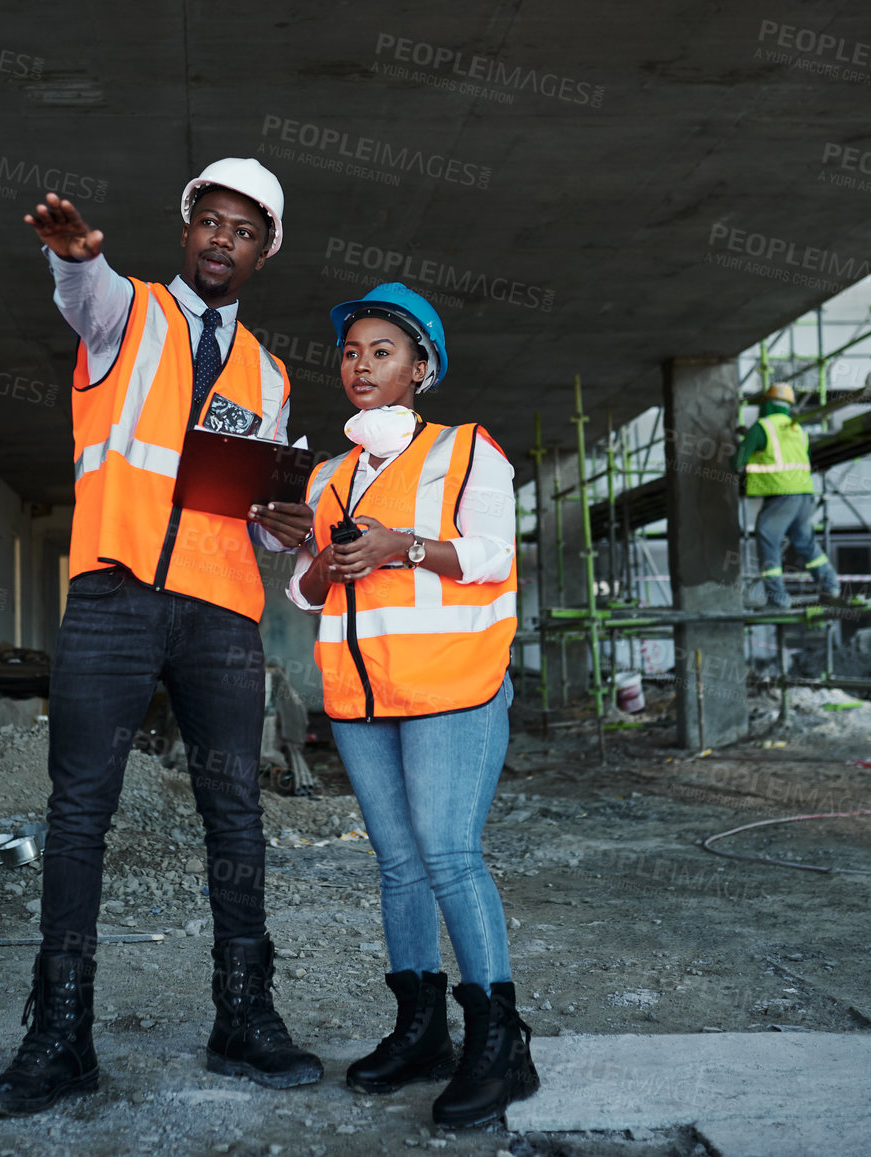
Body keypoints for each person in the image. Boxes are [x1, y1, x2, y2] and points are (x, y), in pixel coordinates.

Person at [0, 159, 322, 1117]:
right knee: (81, 810)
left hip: (220, 611)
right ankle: (59, 1035)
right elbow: (80, 292)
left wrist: (279, 523)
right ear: (185, 233)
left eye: (243, 231)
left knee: (236, 814)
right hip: (115, 592)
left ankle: (245, 1016)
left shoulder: (270, 373)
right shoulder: (124, 311)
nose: (223, 240)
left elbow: (246, 505)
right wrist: (75, 258)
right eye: (209, 222)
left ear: (265, 251)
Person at [286, 283, 539, 1129]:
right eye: (351, 352)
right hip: (361, 698)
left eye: (381, 351)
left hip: (452, 687)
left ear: (420, 367)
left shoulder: (468, 450)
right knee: (395, 863)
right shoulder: (327, 474)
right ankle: (420, 1028)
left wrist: (405, 547)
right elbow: (306, 591)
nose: (360, 365)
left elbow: (495, 557)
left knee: (447, 854)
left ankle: (499, 1043)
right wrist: (321, 556)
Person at [732, 382, 841, 608]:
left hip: (782, 495)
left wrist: (746, 443)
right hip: (804, 495)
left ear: (766, 404)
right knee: (804, 541)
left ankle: (777, 597)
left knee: (766, 536)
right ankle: (830, 584)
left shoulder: (761, 427)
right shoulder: (798, 430)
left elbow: (737, 462)